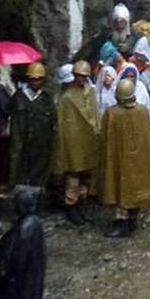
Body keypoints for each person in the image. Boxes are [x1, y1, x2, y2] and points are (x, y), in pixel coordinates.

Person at [96, 77, 150, 237]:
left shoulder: (113, 113)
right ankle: (132, 219)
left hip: (120, 159)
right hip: (138, 159)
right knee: (134, 186)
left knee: (121, 187)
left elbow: (104, 138)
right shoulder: (142, 111)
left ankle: (123, 222)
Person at [53, 60, 100, 225]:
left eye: (84, 76)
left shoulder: (91, 93)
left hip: (89, 141)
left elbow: (95, 115)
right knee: (73, 176)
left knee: (86, 176)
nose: (82, 79)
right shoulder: (67, 97)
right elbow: (63, 125)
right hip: (73, 143)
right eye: (79, 76)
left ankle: (82, 205)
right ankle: (71, 206)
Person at [7, 62, 55, 192]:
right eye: (32, 79)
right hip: (20, 144)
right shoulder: (18, 97)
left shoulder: (47, 99)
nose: (35, 82)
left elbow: (52, 122)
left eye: (38, 79)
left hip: (40, 146)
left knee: (38, 179)